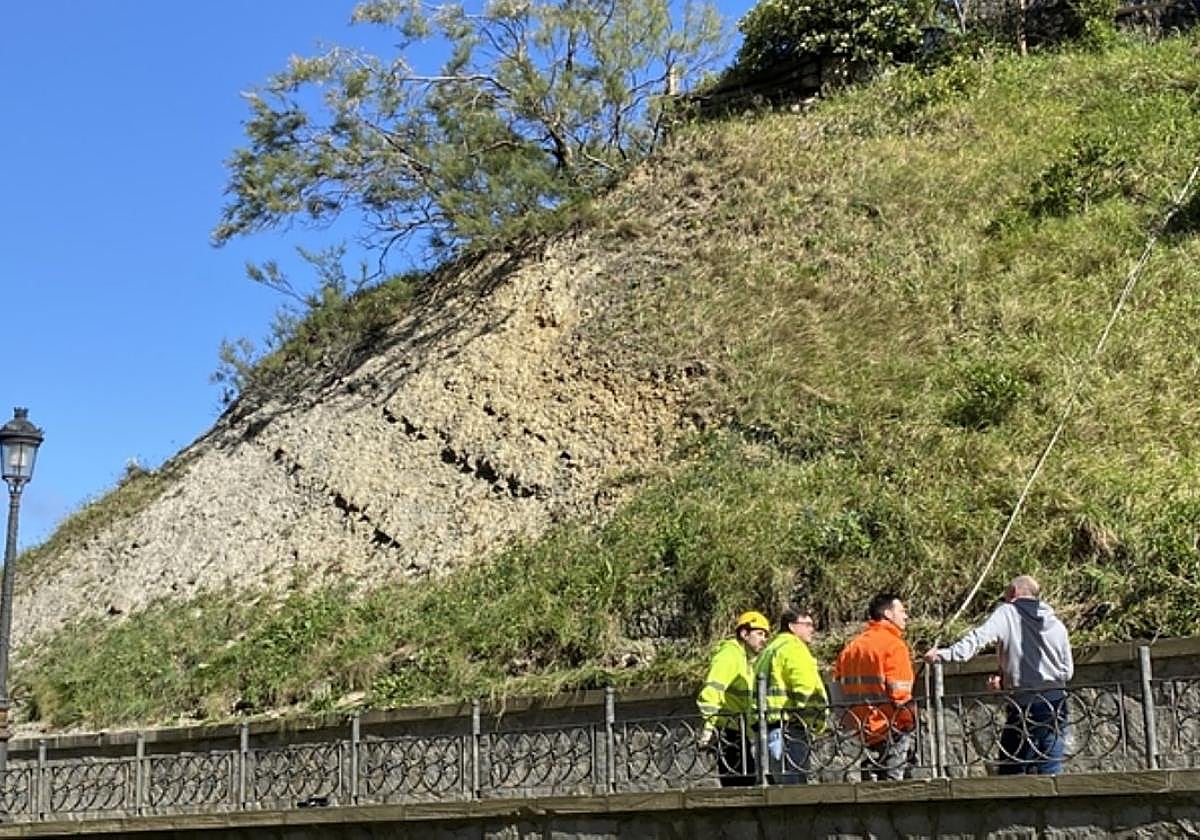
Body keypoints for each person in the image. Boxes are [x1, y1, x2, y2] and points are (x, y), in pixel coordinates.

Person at [924, 574, 1074, 775]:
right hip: (1056, 704)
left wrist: (943, 654)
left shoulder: (1008, 612)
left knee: (1012, 772)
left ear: (1013, 592)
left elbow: (977, 639)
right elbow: (1067, 671)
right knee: (1050, 770)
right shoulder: (1056, 623)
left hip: (1024, 705)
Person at [833, 592, 916, 781]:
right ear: (888, 614)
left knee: (871, 787)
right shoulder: (893, 646)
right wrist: (908, 722)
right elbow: (900, 693)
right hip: (890, 726)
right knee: (894, 785)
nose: (906, 616)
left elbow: (837, 690)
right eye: (902, 611)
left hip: (862, 730)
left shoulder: (851, 648)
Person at [756, 605, 828, 784]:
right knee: (795, 790)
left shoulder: (769, 650)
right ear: (791, 626)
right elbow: (804, 689)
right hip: (790, 730)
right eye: (807, 624)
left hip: (768, 728)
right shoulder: (793, 647)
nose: (812, 629)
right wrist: (816, 721)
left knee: (779, 790)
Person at [696, 610, 770, 786]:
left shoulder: (748, 661)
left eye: (766, 635)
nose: (764, 639)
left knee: (747, 785)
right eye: (760, 634)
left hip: (739, 733)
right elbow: (712, 691)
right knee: (740, 787)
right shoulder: (730, 655)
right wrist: (709, 728)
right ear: (744, 634)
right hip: (728, 733)